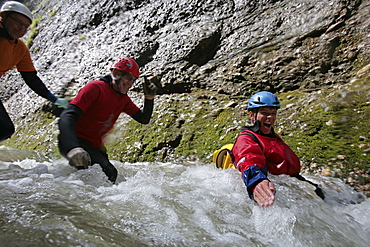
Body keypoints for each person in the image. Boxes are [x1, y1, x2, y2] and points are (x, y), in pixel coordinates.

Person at [58, 56, 157, 184]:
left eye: (133, 80)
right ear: (115, 74)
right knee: (109, 173)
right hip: (74, 141)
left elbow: (143, 119)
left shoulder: (123, 100)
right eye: (128, 78)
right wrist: (73, 147)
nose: (130, 84)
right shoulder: (96, 88)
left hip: (94, 146)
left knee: (103, 178)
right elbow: (67, 115)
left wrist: (149, 98)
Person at [0, 1, 68, 142]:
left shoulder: (20, 49)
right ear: (4, 17)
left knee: (5, 129)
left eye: (26, 27)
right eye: (19, 22)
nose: (22, 29)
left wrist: (52, 98)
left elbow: (31, 78)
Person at [231, 91, 301, 207]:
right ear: (252, 115)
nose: (270, 117)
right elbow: (249, 159)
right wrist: (257, 181)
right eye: (264, 113)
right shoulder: (246, 139)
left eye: (273, 113)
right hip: (273, 187)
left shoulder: (272, 136)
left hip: (291, 183)